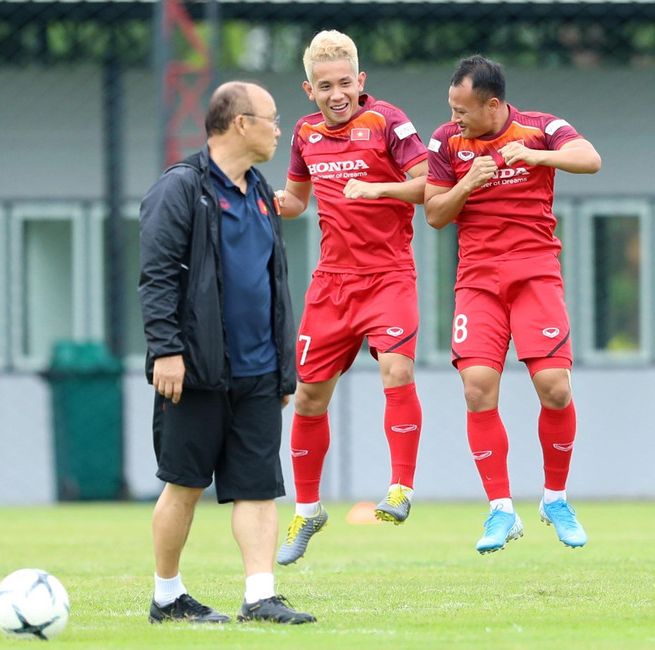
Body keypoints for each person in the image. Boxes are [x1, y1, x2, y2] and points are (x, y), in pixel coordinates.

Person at [138, 81, 315, 624]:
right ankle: (167, 595)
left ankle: (260, 596)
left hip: (259, 372)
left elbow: (272, 281)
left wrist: (284, 370)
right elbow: (157, 277)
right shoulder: (180, 188)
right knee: (185, 484)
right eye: (272, 117)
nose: (279, 128)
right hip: (196, 371)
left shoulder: (260, 191)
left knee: (258, 487)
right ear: (241, 122)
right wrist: (167, 351)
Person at [424, 55, 602, 554]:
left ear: (494, 104)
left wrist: (539, 157)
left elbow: (590, 158)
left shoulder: (541, 127)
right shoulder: (446, 141)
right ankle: (500, 509)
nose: (454, 117)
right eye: (451, 107)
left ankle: (555, 499)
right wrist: (467, 183)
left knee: (554, 387)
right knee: (477, 387)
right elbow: (435, 214)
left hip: (535, 274)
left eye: (463, 109)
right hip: (477, 280)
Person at [273, 30, 430, 566]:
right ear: (308, 89)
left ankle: (401, 489)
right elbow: (296, 200)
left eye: (345, 83)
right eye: (324, 86)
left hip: (388, 276)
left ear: (361, 82)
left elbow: (429, 184)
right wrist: (264, 199)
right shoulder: (303, 133)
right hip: (332, 283)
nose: (336, 93)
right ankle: (308, 509)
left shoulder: (388, 121)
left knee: (397, 372)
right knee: (308, 398)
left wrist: (378, 189)